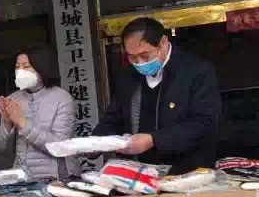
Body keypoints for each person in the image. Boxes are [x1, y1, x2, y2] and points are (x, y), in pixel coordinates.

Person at [93, 17, 221, 175]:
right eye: (132, 57)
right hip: (141, 173)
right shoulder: (129, 75)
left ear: (163, 42)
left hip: (188, 171)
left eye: (144, 55)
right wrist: (92, 143)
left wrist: (153, 139)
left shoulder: (196, 71)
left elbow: (204, 123)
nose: (139, 62)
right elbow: (114, 118)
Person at [0, 51, 77, 180]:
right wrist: (7, 124)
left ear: (41, 68)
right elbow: (3, 151)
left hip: (56, 178)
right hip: (22, 180)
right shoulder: (13, 99)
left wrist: (23, 123)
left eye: (26, 66)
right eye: (17, 67)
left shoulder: (62, 99)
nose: (20, 71)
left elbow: (60, 147)